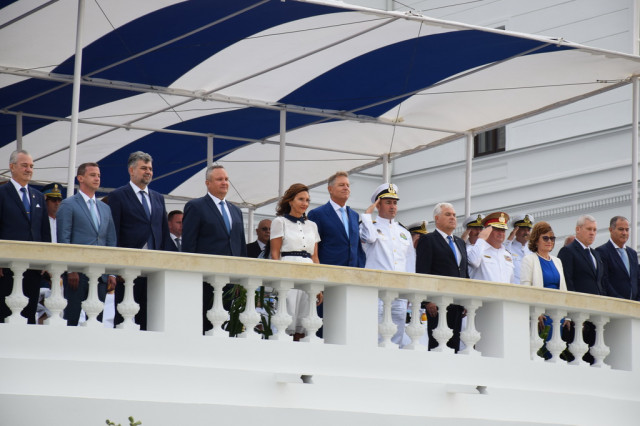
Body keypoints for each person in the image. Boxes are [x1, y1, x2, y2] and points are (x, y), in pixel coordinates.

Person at [107, 151, 175, 330]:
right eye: (144, 168)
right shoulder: (118, 196)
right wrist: (114, 269)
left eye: (150, 169)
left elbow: (164, 234)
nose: (148, 172)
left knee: (152, 317)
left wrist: (170, 263)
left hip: (154, 269)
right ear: (131, 170)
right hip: (128, 269)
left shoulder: (158, 198)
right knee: (125, 317)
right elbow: (113, 233)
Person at [182, 165, 247, 334]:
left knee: (225, 325)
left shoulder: (236, 211)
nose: (224, 183)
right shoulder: (196, 206)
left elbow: (241, 246)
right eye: (219, 179)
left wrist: (242, 276)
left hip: (230, 280)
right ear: (207, 183)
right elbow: (188, 244)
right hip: (205, 278)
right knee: (204, 323)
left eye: (226, 179)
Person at [56, 162, 117, 325]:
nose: (97, 178)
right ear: (80, 178)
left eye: (98, 175)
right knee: (72, 317)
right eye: (92, 175)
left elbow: (111, 241)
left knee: (97, 320)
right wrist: (70, 269)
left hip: (101, 274)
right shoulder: (68, 204)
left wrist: (111, 273)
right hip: (77, 274)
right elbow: (63, 239)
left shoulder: (105, 208)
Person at [360, 183, 415, 346]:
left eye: (395, 203)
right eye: (388, 202)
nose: (392, 207)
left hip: (399, 291)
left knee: (397, 332)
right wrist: (367, 215)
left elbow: (410, 262)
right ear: (378, 205)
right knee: (375, 331)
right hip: (377, 289)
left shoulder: (404, 232)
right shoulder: (369, 226)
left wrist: (410, 290)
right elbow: (370, 238)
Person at [0, 150, 51, 324]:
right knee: (5, 312)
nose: (29, 169)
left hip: (32, 266)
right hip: (6, 267)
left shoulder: (38, 196)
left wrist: (45, 260)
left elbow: (44, 232)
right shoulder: (2, 193)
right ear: (12, 167)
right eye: (24, 165)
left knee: (29, 312)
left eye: (31, 166)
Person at [270, 183, 321, 340]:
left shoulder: (312, 226)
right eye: (301, 199)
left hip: (308, 271)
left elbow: (315, 257)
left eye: (307, 200)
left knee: (305, 317)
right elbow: (275, 254)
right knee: (288, 315)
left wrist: (319, 286)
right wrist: (279, 279)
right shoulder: (280, 222)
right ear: (290, 201)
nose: (305, 203)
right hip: (288, 268)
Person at [415, 202, 468, 351]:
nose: (453, 218)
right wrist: (428, 300)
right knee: (438, 345)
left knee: (454, 346)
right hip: (437, 304)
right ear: (437, 218)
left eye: (454, 215)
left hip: (457, 303)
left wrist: (466, 297)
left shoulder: (460, 242)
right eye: (448, 214)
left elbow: (464, 272)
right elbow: (423, 271)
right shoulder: (428, 240)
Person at [557, 215, 607, 364]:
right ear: (578, 229)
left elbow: (600, 283)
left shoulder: (595, 254)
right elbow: (568, 282)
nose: (592, 233)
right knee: (577, 359)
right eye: (589, 229)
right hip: (578, 317)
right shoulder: (568, 251)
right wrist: (571, 313)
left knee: (594, 359)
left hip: (595, 316)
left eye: (595, 230)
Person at [520, 221, 567, 359]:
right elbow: (526, 288)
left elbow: (563, 289)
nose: (549, 241)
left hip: (557, 314)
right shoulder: (529, 260)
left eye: (552, 238)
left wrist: (567, 314)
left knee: (556, 353)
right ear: (536, 240)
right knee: (542, 352)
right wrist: (535, 311)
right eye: (545, 238)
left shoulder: (557, 261)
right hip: (541, 315)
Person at [307, 171, 365, 267]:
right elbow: (312, 248)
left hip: (353, 272)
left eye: (348, 185)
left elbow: (357, 247)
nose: (346, 188)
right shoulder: (317, 214)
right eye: (341, 185)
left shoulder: (354, 215)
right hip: (329, 271)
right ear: (330, 189)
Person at [596, 216, 639, 301]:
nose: (624, 233)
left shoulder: (633, 254)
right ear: (611, 230)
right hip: (614, 303)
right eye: (621, 229)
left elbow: (637, 279)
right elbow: (604, 281)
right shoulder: (602, 252)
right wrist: (619, 300)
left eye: (627, 230)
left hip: (634, 305)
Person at [468, 212, 516, 284]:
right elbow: (473, 261)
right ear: (487, 231)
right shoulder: (474, 249)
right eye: (497, 229)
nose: (501, 233)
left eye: (503, 230)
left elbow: (511, 282)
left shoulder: (507, 255)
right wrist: (481, 238)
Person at [505, 214, 534, 284]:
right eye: (523, 230)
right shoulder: (508, 248)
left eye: (528, 230)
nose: (526, 233)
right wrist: (509, 240)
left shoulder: (533, 250)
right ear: (516, 231)